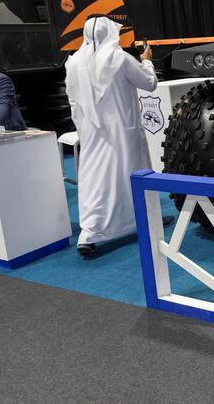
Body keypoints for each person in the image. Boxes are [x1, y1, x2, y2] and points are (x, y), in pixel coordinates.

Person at [65, 16, 157, 255]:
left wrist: (83, 128)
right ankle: (143, 220)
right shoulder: (120, 58)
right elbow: (149, 83)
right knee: (131, 178)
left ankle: (90, 232)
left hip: (92, 133)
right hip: (123, 134)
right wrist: (146, 62)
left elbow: (73, 102)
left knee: (96, 180)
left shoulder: (74, 63)